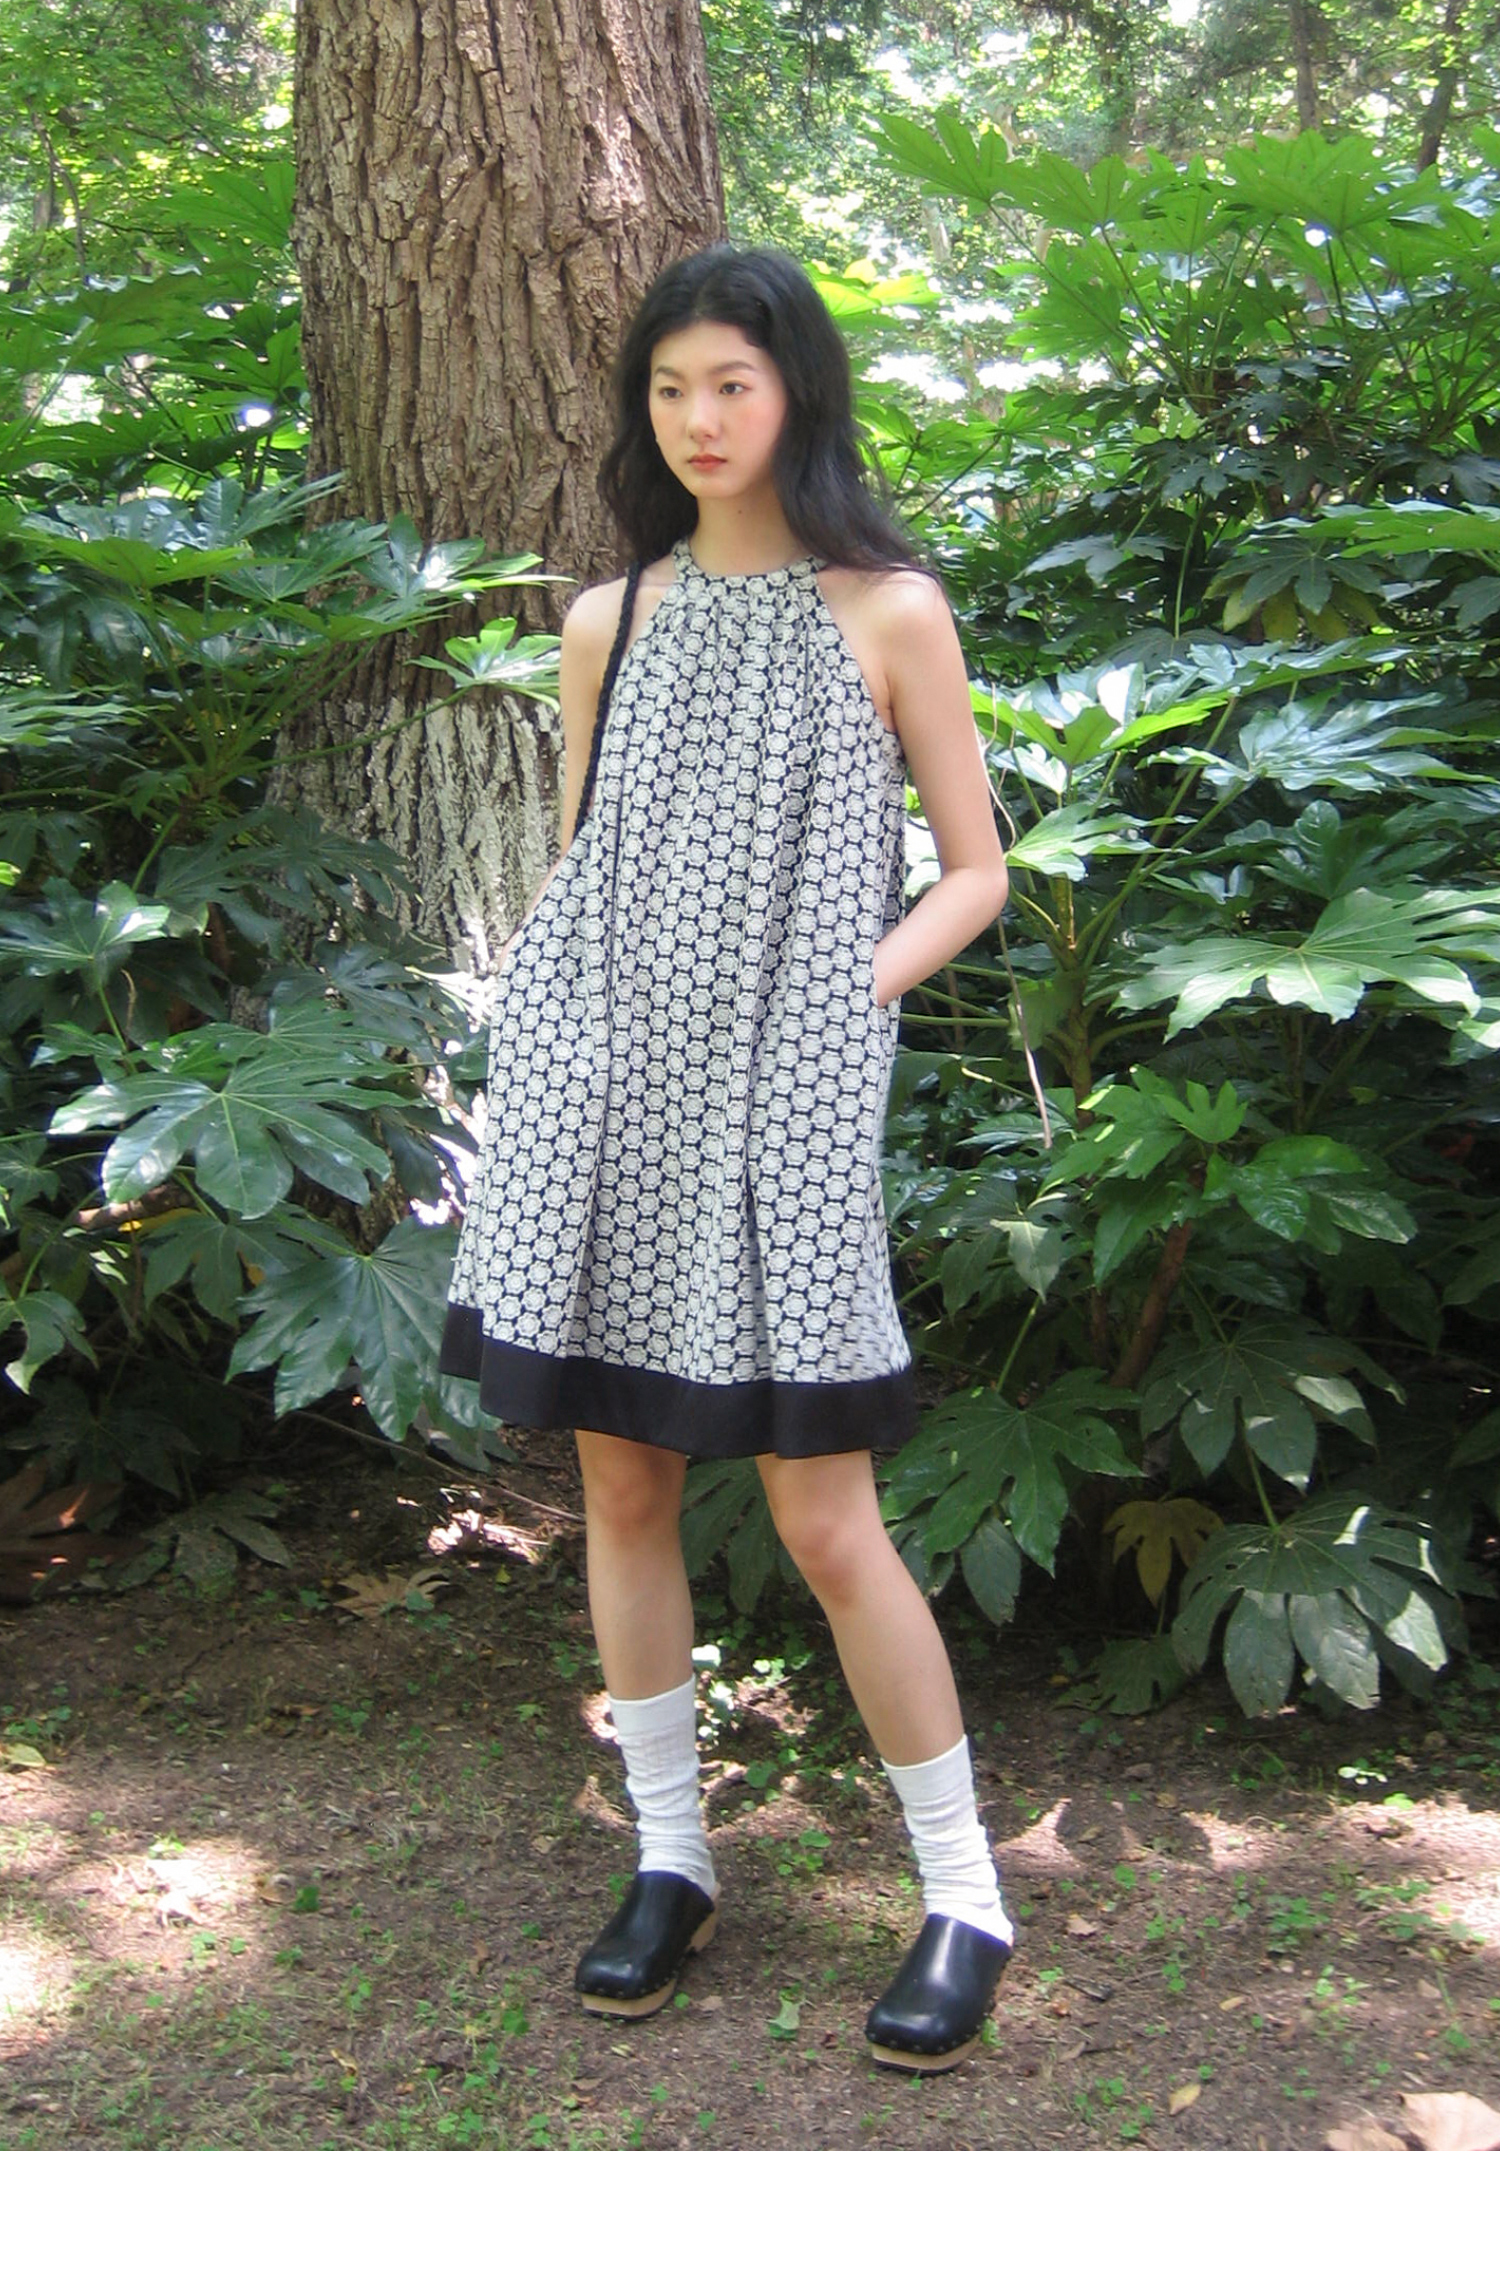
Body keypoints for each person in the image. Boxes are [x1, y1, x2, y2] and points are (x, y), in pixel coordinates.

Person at [440, 244, 1015, 2073]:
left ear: (796, 395)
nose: (700, 419)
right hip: (601, 1094)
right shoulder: (605, 620)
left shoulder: (889, 613)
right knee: (617, 1493)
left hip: (787, 1109)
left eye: (734, 385)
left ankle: (965, 1896)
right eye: (671, 387)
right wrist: (551, 1045)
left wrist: (848, 992)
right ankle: (671, 1861)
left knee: (824, 1516)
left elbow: (977, 872)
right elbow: (584, 871)